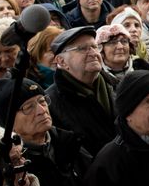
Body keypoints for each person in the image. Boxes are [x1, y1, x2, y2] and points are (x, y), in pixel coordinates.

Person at [46, 27, 118, 158]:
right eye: (82, 49)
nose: (93, 53)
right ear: (61, 61)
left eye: (95, 47)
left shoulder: (118, 86)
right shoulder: (50, 103)